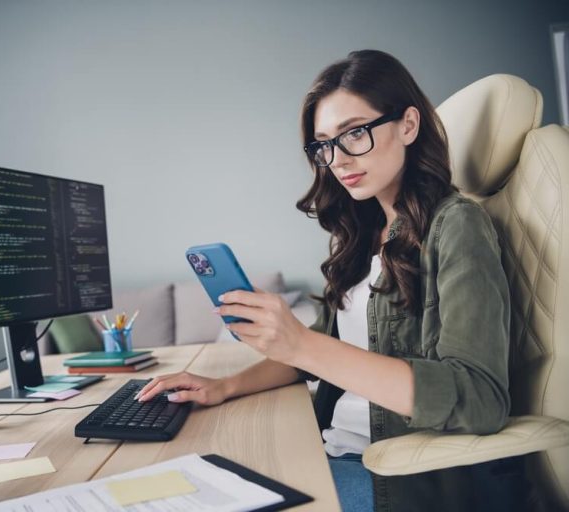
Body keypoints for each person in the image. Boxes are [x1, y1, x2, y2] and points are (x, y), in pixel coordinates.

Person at [137, 50, 528, 512]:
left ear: (408, 125)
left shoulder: (458, 225)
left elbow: (479, 399)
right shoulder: (361, 236)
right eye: (324, 144)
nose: (337, 159)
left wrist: (301, 343)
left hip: (395, 479)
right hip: (332, 450)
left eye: (355, 133)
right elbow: (320, 351)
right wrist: (223, 387)